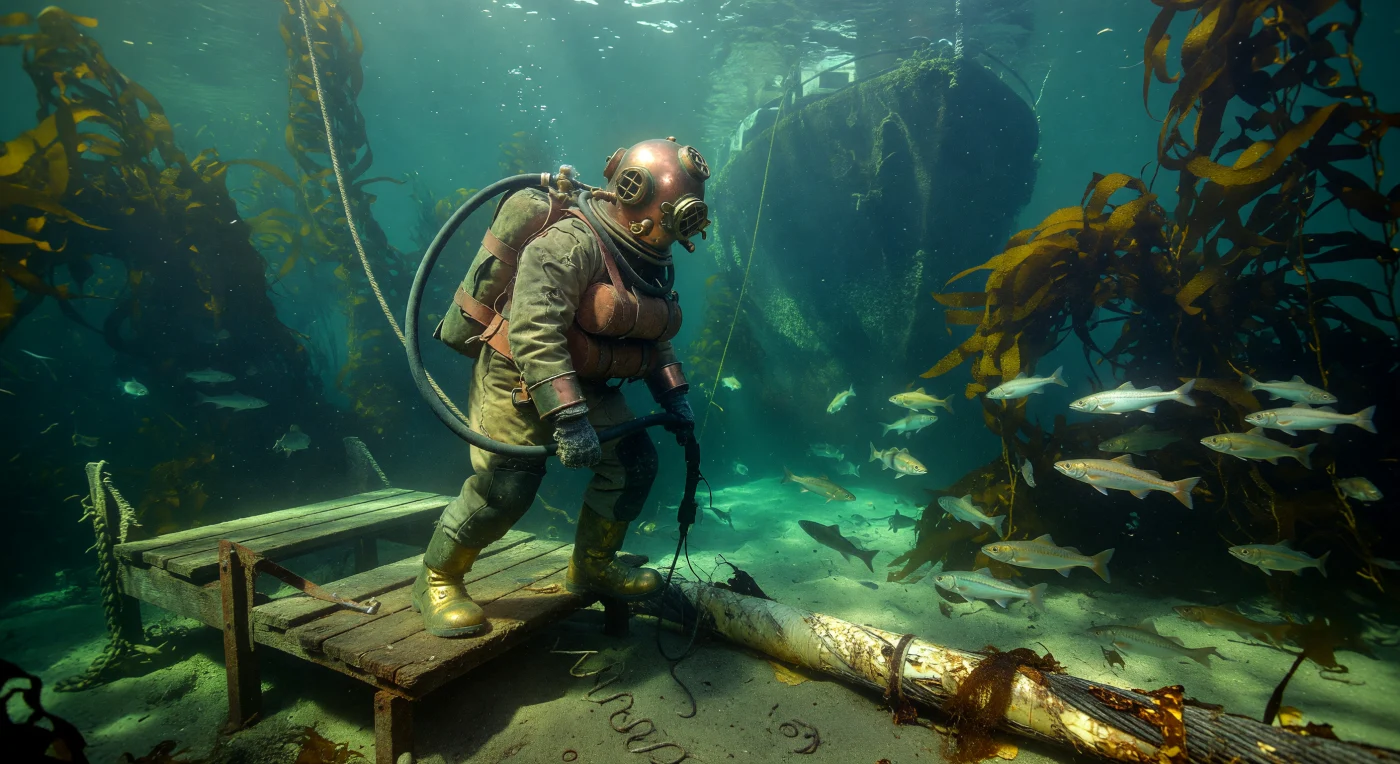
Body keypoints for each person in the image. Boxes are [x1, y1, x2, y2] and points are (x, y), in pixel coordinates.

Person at [417, 137, 711, 637]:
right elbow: (534, 331)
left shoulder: (649, 257)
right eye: (679, 214)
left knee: (635, 462)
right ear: (635, 193)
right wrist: (569, 418)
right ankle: (438, 576)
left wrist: (673, 394)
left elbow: (654, 329)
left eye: (690, 217)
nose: (684, 229)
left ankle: (592, 565)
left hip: (584, 379)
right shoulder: (569, 243)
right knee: (506, 490)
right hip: (515, 376)